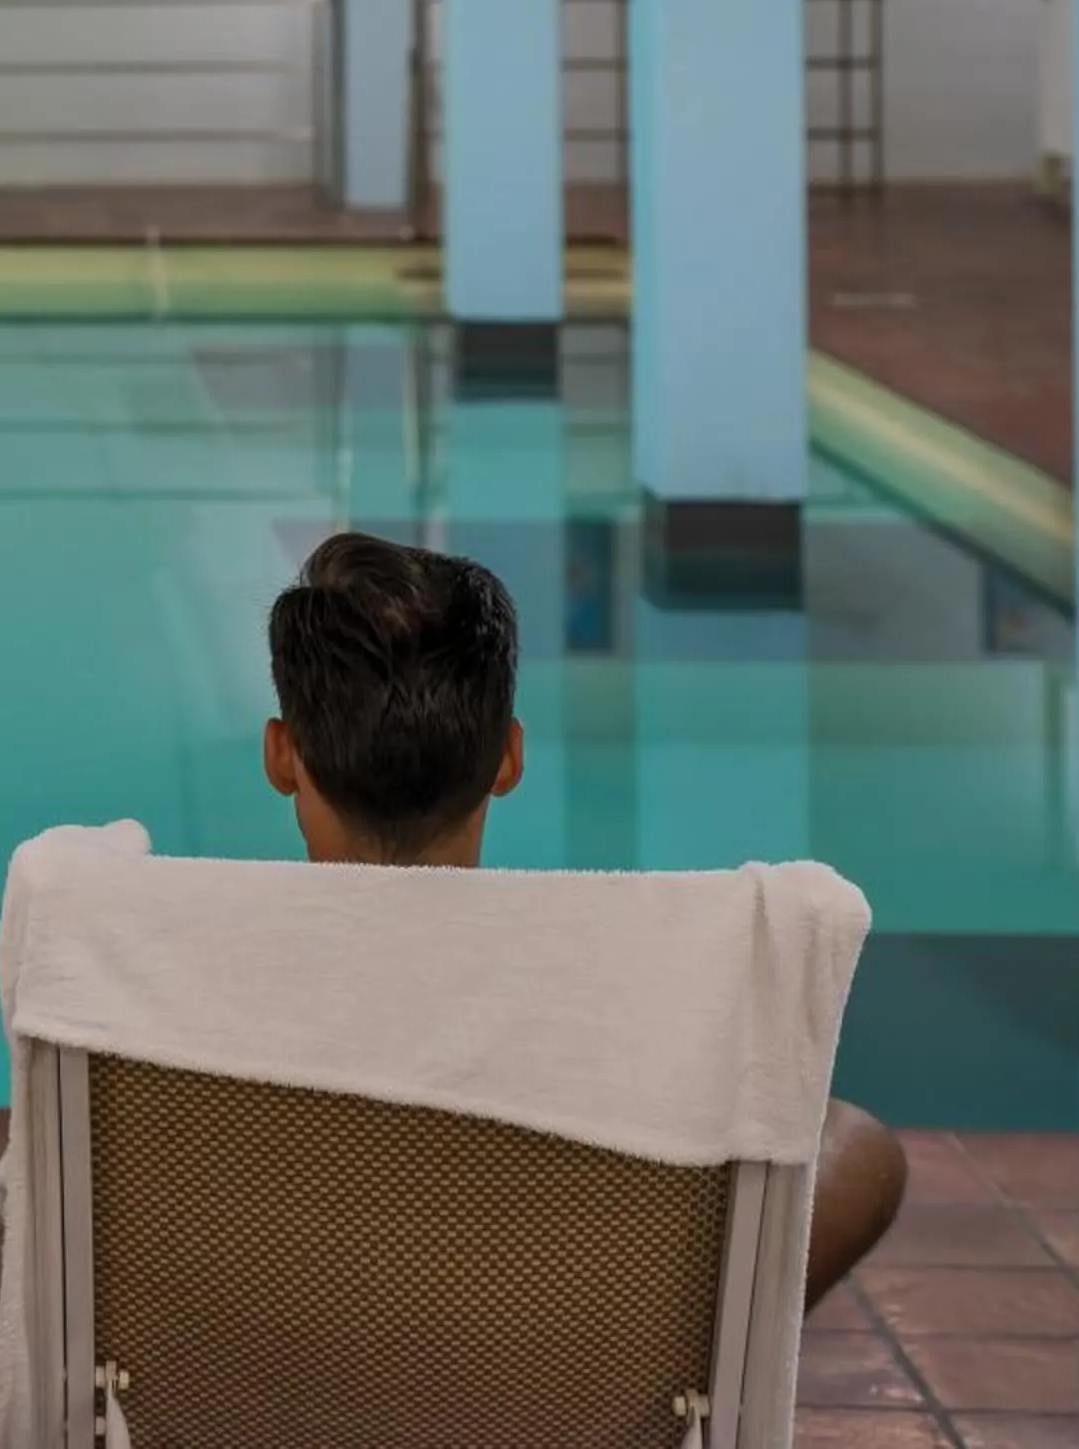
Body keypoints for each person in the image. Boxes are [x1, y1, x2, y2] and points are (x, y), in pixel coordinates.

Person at [265, 531, 905, 1306]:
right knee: (859, 1145)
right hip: (561, 1362)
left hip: (269, 1347)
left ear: (283, 756)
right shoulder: (624, 984)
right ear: (509, 759)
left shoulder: (186, 974)